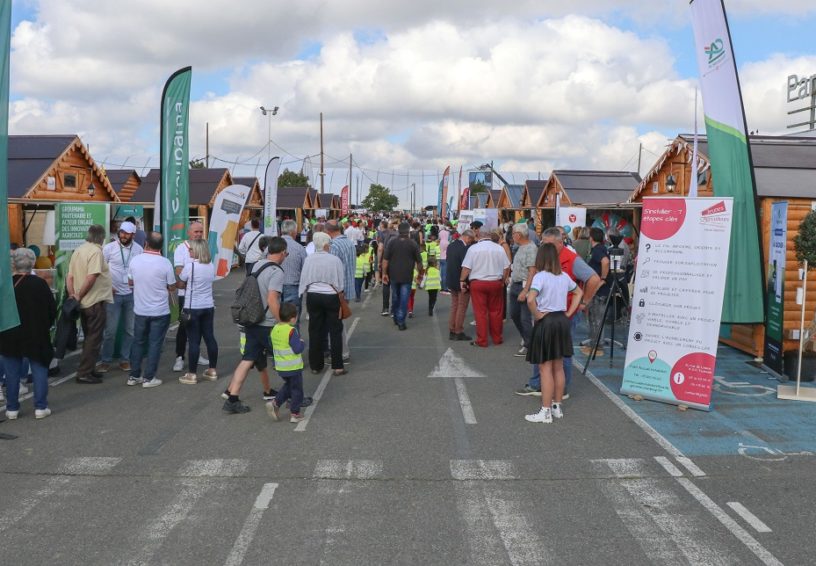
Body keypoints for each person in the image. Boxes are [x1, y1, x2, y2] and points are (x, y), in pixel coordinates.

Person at [515, 227, 602, 398]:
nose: (545, 248)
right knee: (548, 355)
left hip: (561, 313)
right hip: (553, 313)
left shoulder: (572, 260)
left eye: (549, 245)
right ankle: (540, 386)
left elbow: (594, 279)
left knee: (560, 355)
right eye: (543, 244)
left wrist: (583, 303)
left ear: (560, 242)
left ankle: (558, 391)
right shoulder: (552, 262)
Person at [223, 236, 287, 413]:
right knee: (286, 357)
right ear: (282, 252)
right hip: (267, 323)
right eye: (286, 253)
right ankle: (292, 394)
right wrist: (281, 322)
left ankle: (232, 397)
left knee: (247, 359)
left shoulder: (257, 265)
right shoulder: (277, 271)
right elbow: (272, 299)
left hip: (252, 319)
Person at [524, 243, 583, 424]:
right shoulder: (564, 276)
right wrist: (569, 313)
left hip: (547, 321)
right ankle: (557, 406)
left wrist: (538, 315)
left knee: (545, 368)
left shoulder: (540, 277)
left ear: (541, 258)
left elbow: (530, 298)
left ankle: (545, 411)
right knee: (559, 366)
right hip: (561, 321)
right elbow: (579, 292)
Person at [0, 248, 57, 419]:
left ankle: (11, 409)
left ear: (14, 264)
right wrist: (46, 324)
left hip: (10, 333)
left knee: (11, 372)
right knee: (39, 367)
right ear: (32, 263)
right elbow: (51, 309)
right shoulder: (40, 284)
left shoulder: (6, 285)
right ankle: (40, 407)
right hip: (36, 333)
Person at [127, 232, 177, 388]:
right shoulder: (165, 263)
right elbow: (171, 286)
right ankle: (149, 378)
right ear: (161, 246)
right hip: (160, 311)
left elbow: (130, 283)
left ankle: (134, 376)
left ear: (146, 243)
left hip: (140, 309)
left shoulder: (135, 261)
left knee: (138, 342)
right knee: (155, 343)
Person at [67, 224, 113, 384]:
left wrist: (73, 295)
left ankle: (89, 369)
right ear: (102, 237)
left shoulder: (79, 250)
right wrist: (79, 295)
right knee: (94, 339)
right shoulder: (96, 252)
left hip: (83, 302)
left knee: (89, 337)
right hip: (94, 301)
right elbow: (92, 276)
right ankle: (84, 372)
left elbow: (70, 276)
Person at [299, 232, 347, 375]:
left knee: (314, 330)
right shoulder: (334, 260)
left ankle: (316, 365)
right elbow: (340, 281)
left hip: (313, 295)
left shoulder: (309, 259)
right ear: (326, 245)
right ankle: (337, 365)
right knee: (335, 330)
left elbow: (304, 278)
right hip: (331, 295)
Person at [99, 220, 143, 373]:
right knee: (110, 330)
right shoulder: (109, 248)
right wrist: (107, 287)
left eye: (127, 233)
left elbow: (141, 270)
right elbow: (100, 270)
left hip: (131, 294)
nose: (123, 235)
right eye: (122, 232)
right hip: (113, 294)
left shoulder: (138, 250)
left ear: (133, 235)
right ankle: (106, 360)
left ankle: (125, 359)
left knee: (130, 330)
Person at [460, 221, 510, 347]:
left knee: (480, 312)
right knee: (496, 311)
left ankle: (482, 340)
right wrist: (503, 280)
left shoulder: (473, 249)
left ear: (479, 235)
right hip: (495, 282)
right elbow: (506, 267)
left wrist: (462, 280)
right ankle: (497, 338)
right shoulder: (499, 248)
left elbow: (466, 268)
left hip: (478, 283)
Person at [177, 239, 219, 385]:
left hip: (192, 307)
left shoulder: (190, 266)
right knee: (209, 337)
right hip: (208, 306)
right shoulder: (211, 266)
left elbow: (181, 283)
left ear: (197, 251)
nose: (189, 251)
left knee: (194, 341)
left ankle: (192, 374)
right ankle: (212, 370)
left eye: (191, 249)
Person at [173, 221, 206, 372]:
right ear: (189, 233)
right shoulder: (181, 248)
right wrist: (196, 280)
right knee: (184, 325)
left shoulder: (204, 246)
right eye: (196, 232)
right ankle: (179, 357)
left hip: (201, 295)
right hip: (185, 295)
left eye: (200, 231)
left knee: (198, 326)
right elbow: (179, 272)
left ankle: (196, 353)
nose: (198, 234)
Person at [265, 303, 306, 423]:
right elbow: (297, 349)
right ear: (293, 318)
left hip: (281, 367)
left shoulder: (275, 329)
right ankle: (295, 413)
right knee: (297, 390)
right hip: (293, 366)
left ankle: (275, 403)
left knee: (288, 386)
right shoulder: (291, 331)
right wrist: (302, 342)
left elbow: (271, 345)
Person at [382, 222, 423, 331]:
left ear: (399, 231)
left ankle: (396, 317)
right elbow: (419, 262)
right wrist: (420, 274)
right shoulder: (413, 244)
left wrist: (384, 273)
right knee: (404, 298)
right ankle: (401, 321)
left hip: (393, 275)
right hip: (406, 276)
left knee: (395, 297)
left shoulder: (391, 242)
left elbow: (385, 260)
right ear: (408, 231)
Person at [508, 223, 537, 357]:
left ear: (518, 235)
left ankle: (530, 345)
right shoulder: (520, 247)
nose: (512, 237)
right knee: (514, 314)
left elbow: (532, 270)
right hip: (516, 284)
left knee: (525, 317)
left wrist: (526, 290)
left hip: (524, 286)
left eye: (513, 234)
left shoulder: (531, 248)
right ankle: (527, 339)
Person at [584, 227, 610, 356]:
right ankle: (595, 343)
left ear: (592, 238)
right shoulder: (599, 249)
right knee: (594, 317)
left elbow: (605, 262)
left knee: (597, 318)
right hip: (597, 289)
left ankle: (597, 345)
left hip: (599, 290)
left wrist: (603, 278)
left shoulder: (598, 250)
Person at [446, 229, 475, 340]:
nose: (470, 242)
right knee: (462, 306)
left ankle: (452, 329)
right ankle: (458, 331)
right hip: (461, 281)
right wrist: (465, 281)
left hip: (451, 279)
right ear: (467, 237)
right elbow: (466, 267)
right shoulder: (464, 249)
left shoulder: (451, 245)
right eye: (471, 240)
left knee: (454, 305)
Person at [280, 219, 307, 325]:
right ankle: (293, 340)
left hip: (273, 286)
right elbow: (305, 269)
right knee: (292, 321)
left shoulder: (270, 246)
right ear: (293, 232)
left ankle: (277, 340)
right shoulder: (299, 248)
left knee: (275, 318)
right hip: (293, 287)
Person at [378, 220, 399, 316]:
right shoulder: (398, 234)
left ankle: (385, 308)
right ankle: (394, 310)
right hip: (396, 262)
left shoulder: (383, 234)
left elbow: (380, 249)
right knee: (395, 286)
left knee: (386, 284)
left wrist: (379, 262)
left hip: (385, 260)